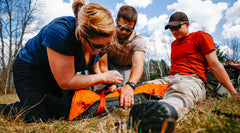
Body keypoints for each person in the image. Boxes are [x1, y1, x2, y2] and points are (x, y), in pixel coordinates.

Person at [0, 0, 123, 123]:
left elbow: (97, 65)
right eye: (98, 47)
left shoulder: (100, 43)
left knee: (63, 111)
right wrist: (103, 77)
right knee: (38, 118)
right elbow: (66, 81)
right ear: (81, 35)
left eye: (109, 45)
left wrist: (106, 79)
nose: (104, 51)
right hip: (31, 68)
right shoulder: (60, 32)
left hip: (57, 74)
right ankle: (6, 109)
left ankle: (34, 103)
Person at [128, 12, 238, 133]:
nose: (174, 31)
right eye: (171, 29)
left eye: (177, 27)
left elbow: (215, 65)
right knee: (142, 87)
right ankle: (107, 103)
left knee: (181, 90)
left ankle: (166, 112)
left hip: (193, 78)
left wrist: (233, 92)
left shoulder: (200, 36)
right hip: (170, 78)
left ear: (187, 24)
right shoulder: (174, 44)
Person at [96, 5, 147, 108]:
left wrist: (130, 85)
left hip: (125, 69)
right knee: (104, 92)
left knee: (123, 94)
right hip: (108, 65)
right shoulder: (108, 33)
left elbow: (138, 64)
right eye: (121, 27)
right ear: (116, 21)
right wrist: (108, 81)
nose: (124, 32)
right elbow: (103, 64)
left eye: (128, 29)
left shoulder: (138, 40)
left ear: (134, 26)